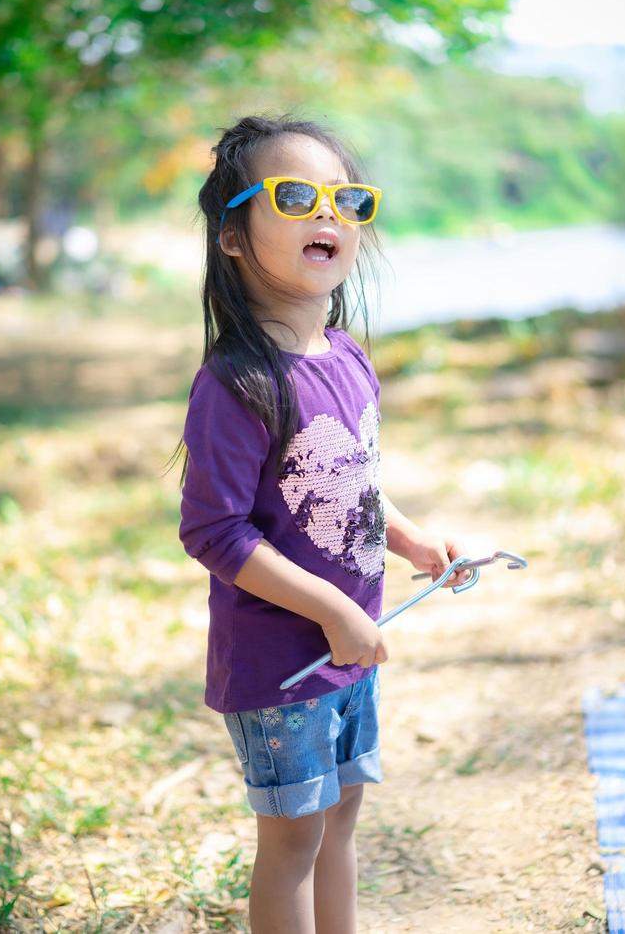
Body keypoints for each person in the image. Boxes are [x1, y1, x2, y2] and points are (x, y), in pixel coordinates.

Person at [175, 114, 470, 934]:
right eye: (296, 195)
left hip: (351, 652)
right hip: (283, 668)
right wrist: (333, 609)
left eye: (346, 199)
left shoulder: (346, 355)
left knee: (342, 819)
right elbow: (216, 532)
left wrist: (409, 540)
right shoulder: (237, 381)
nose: (327, 214)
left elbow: (354, 481)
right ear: (233, 234)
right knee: (294, 838)